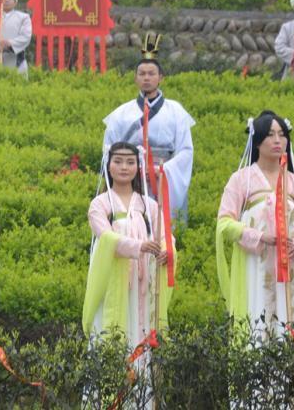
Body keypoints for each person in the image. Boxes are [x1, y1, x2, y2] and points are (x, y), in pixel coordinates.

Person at [215, 111, 294, 341]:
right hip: (255, 267)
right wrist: (258, 237)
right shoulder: (241, 180)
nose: (278, 141)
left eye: (282, 135)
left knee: (293, 323)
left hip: (293, 269)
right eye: (270, 135)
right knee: (258, 321)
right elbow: (224, 223)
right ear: (256, 141)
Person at [82, 142, 174, 409]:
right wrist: (138, 246)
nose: (124, 167)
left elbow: (166, 236)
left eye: (130, 162)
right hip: (113, 285)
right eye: (118, 161)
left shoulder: (149, 205)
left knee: (140, 334)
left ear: (138, 167)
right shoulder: (100, 204)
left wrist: (167, 252)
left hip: (142, 286)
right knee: (111, 335)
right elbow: (107, 237)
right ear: (108, 165)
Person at [102, 35, 195, 223]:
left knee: (161, 228)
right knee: (130, 224)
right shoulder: (120, 114)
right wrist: (128, 168)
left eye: (151, 73)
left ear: (160, 77)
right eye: (142, 74)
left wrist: (161, 170)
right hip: (130, 176)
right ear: (135, 78)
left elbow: (185, 151)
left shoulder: (176, 111)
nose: (146, 78)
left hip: (162, 177)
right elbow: (108, 150)